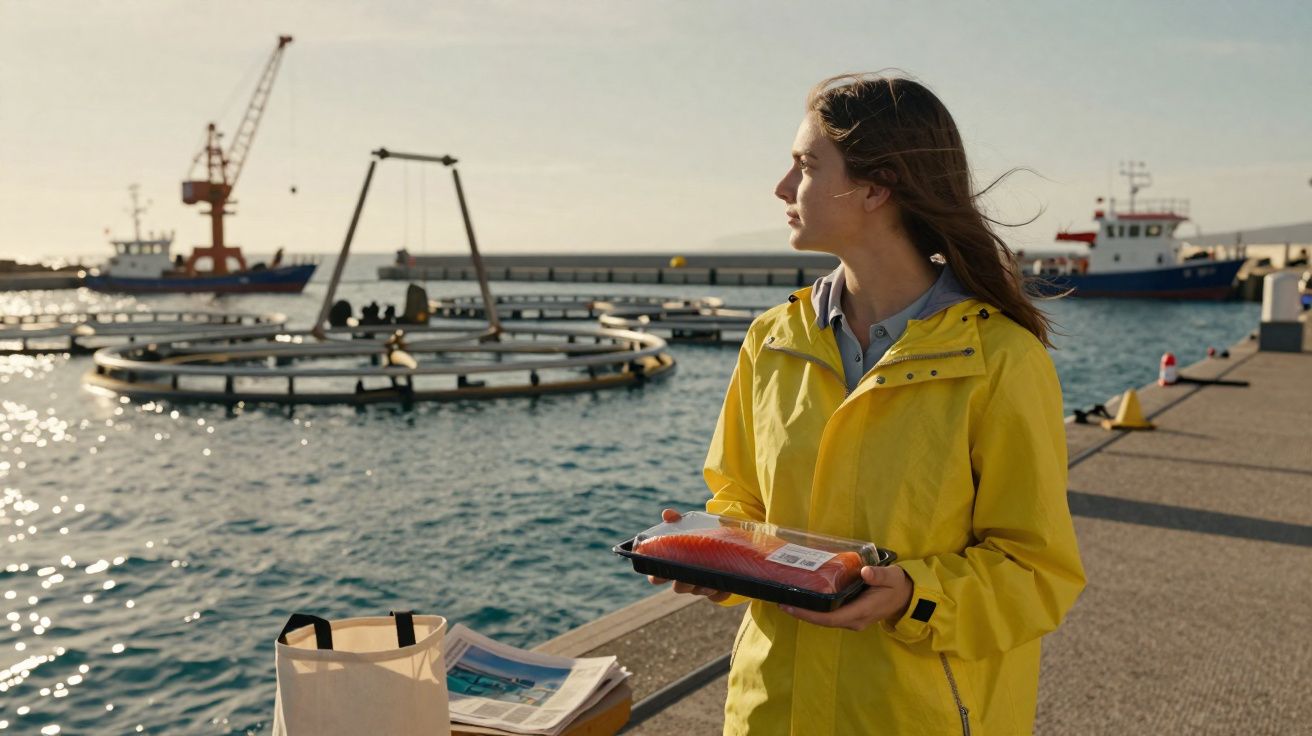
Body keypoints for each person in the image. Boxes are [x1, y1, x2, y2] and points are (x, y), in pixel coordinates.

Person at [650, 74, 1085, 735]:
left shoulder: (1001, 359)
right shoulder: (772, 340)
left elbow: (1037, 572)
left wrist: (912, 596)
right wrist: (719, 558)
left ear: (877, 189)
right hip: (771, 713)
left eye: (805, 166)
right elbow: (742, 501)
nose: (781, 188)